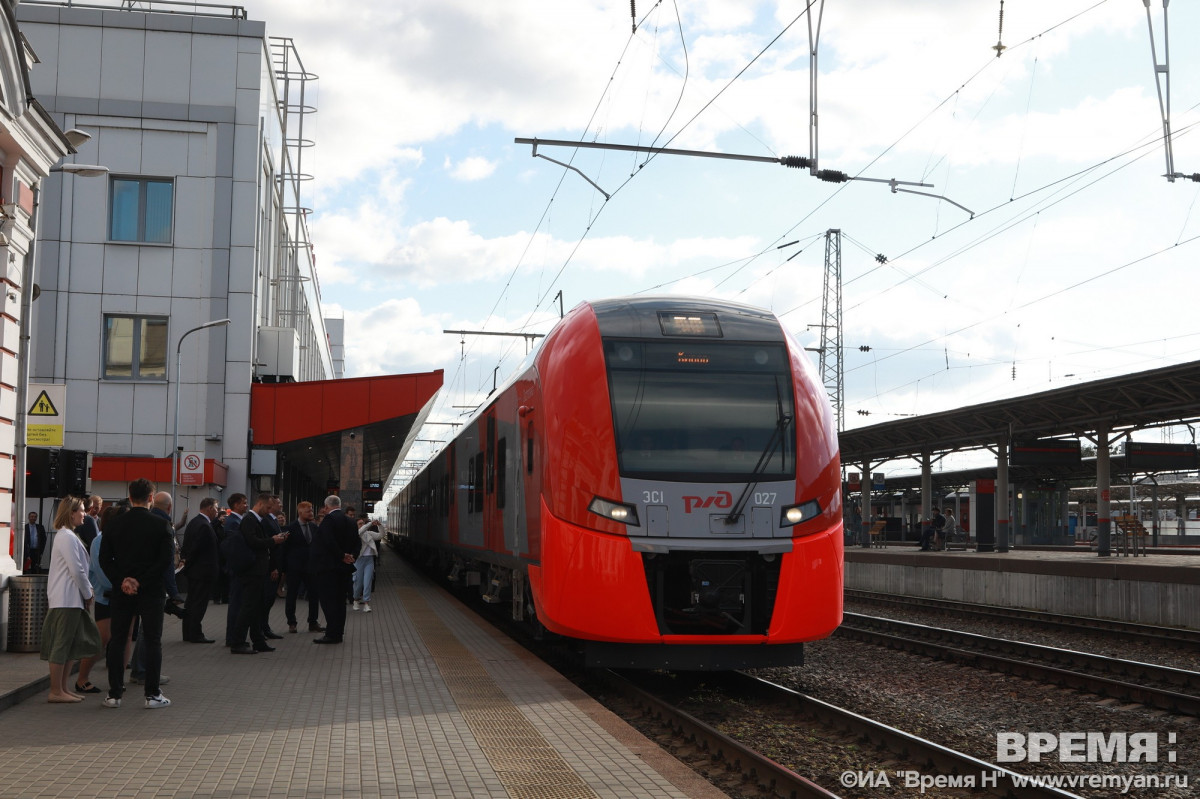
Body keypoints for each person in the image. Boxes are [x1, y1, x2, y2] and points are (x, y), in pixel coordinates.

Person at [100, 478, 175, 709]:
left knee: (118, 640)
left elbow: (105, 559)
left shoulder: (114, 524)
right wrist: (140, 581)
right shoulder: (161, 525)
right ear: (151, 498)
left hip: (122, 592)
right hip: (151, 591)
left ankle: (114, 694)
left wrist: (123, 581)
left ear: (130, 497)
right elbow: (165, 562)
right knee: (153, 641)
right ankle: (152, 695)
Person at [40, 496, 103, 703]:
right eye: (82, 510)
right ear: (71, 513)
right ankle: (56, 690)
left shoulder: (68, 535)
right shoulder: (66, 536)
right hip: (66, 599)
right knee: (61, 644)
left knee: (69, 645)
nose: (85, 513)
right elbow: (76, 569)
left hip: (70, 599)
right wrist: (88, 593)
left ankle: (62, 689)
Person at [73, 504, 129, 695]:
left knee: (125, 638)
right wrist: (122, 585)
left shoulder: (124, 540)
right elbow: (101, 571)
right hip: (106, 597)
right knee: (101, 640)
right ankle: (82, 679)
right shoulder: (99, 540)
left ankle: (118, 679)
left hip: (123, 596)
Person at [229, 493, 286, 655]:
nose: (269, 511)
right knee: (248, 607)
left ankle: (258, 640)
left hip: (258, 570)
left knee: (255, 607)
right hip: (252, 571)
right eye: (268, 508)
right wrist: (273, 540)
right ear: (260, 504)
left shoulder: (255, 520)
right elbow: (253, 542)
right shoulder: (249, 520)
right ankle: (238, 642)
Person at [311, 495, 359, 644]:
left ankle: (331, 634)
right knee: (340, 601)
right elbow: (358, 542)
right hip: (344, 569)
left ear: (326, 507)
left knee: (328, 601)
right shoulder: (351, 521)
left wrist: (341, 555)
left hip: (328, 569)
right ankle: (339, 632)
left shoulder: (328, 521)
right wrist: (352, 556)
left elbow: (328, 541)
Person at [180, 497, 220, 643]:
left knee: (191, 602)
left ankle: (188, 633)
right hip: (202, 572)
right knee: (198, 604)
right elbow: (196, 549)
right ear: (209, 508)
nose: (217, 511)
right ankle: (196, 634)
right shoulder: (203, 525)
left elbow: (188, 547)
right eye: (216, 508)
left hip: (195, 572)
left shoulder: (194, 522)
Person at [282, 501, 323, 634]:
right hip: (294, 568)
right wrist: (284, 567)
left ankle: (313, 622)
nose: (311, 513)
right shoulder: (290, 528)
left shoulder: (314, 527)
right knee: (292, 594)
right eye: (308, 511)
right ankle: (292, 623)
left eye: (311, 511)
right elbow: (285, 549)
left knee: (314, 594)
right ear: (300, 513)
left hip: (311, 568)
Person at [152, 492, 186, 618]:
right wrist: (173, 592)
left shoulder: (147, 520)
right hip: (158, 581)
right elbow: (167, 559)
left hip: (142, 579)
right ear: (169, 507)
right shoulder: (164, 525)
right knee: (152, 625)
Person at [222, 493, 248, 647]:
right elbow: (234, 547)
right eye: (244, 503)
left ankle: (234, 636)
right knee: (236, 604)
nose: (246, 505)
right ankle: (232, 637)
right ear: (236, 505)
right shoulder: (233, 522)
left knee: (238, 603)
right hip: (237, 570)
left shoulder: (237, 520)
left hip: (237, 569)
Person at [352, 517, 382, 613]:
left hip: (370, 560)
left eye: (362, 523)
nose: (362, 525)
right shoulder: (356, 534)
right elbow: (361, 530)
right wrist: (370, 524)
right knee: (358, 583)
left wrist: (379, 525)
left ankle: (366, 603)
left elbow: (381, 535)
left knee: (368, 581)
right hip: (359, 561)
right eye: (359, 524)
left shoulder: (369, 534)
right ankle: (356, 600)